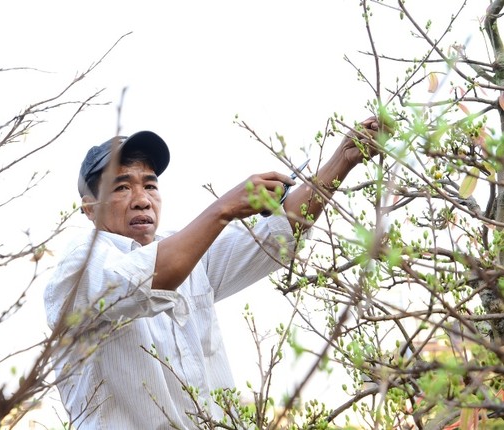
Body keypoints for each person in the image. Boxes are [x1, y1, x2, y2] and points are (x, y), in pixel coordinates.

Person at [44, 118, 383, 429]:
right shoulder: (80, 263)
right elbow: (153, 277)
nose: (142, 199)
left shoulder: (189, 259)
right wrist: (223, 208)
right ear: (89, 208)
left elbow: (277, 232)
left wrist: (343, 158)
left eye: (150, 185)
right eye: (121, 188)